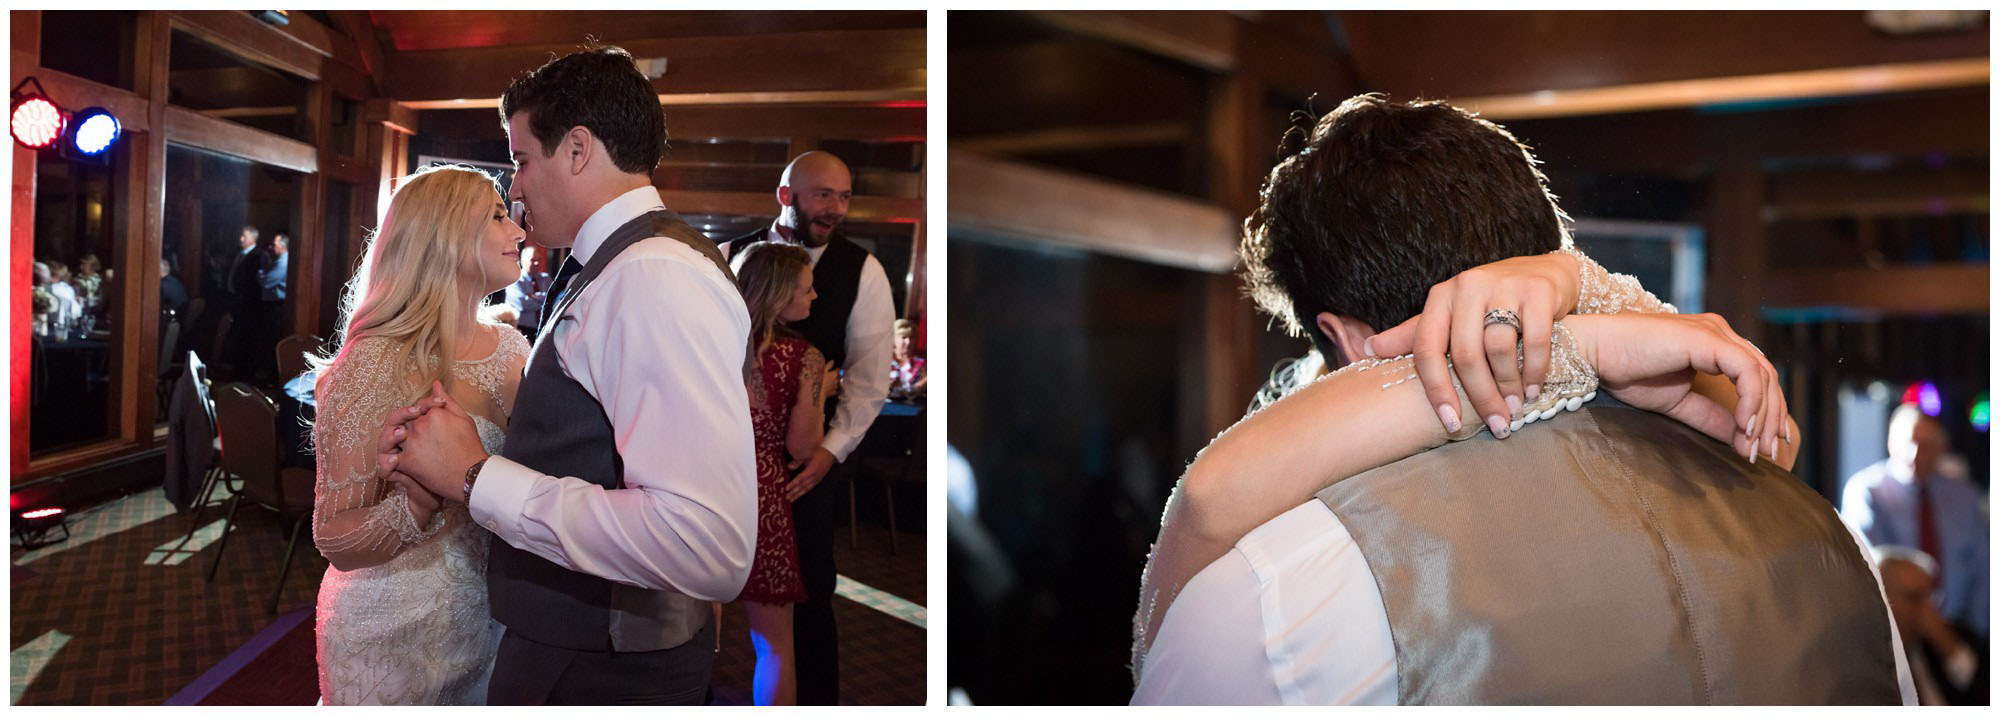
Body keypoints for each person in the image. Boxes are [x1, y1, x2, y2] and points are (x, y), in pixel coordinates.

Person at [1131, 94, 1913, 704]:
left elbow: (1206, 503)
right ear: (1543, 254)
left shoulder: (1281, 592)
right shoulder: (1838, 552)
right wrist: (1588, 319)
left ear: (1346, 339)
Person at [379, 46, 757, 706]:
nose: (515, 186)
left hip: (602, 669)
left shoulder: (650, 276)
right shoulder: (623, 265)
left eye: (522, 160)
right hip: (581, 648)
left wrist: (475, 475)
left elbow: (706, 543)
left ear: (577, 150)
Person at [308, 165, 528, 704]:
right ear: (445, 233)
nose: (519, 232)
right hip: (391, 631)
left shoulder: (513, 348)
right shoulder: (373, 366)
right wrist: (414, 506)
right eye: (498, 216)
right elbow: (332, 534)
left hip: (492, 619)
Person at [722, 150, 895, 704]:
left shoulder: (863, 270)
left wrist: (829, 453)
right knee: (700, 585)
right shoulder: (727, 255)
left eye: (844, 196)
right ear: (785, 195)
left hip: (805, 469)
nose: (836, 208)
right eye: (823, 194)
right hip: (722, 467)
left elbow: (870, 379)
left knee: (811, 591)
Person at [728, 241, 825, 705]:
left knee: (693, 634)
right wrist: (821, 391)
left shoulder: (711, 341)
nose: (814, 297)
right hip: (763, 495)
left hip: (706, 484)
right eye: (806, 289)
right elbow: (802, 447)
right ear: (780, 292)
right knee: (775, 645)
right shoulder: (804, 358)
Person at [1842, 403, 1990, 638]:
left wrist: (1980, 639)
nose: (1915, 454)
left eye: (1926, 446)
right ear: (1891, 442)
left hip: (1962, 630)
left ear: (1942, 449)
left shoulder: (1964, 496)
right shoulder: (1867, 491)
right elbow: (1874, 568)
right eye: (1909, 443)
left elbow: (1985, 568)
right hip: (1897, 631)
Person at [1874, 545, 1988, 705]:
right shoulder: (1868, 659)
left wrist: (1949, 646)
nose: (1928, 609)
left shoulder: (1953, 637)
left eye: (1930, 597)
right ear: (1881, 600)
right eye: (1914, 598)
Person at [889, 318, 926, 401]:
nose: (908, 341)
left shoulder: (922, 364)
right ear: (893, 339)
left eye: (912, 337)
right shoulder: (882, 362)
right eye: (904, 337)